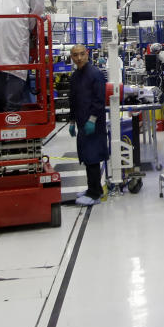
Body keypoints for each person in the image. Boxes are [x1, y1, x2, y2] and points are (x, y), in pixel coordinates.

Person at [68, 44, 107, 207]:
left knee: (93, 157)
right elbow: (73, 100)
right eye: (75, 55)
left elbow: (99, 100)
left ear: (87, 54)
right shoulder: (75, 76)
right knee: (86, 156)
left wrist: (92, 120)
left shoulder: (95, 75)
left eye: (82, 54)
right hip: (81, 122)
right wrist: (71, 121)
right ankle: (92, 188)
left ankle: (95, 193)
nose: (79, 58)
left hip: (93, 123)